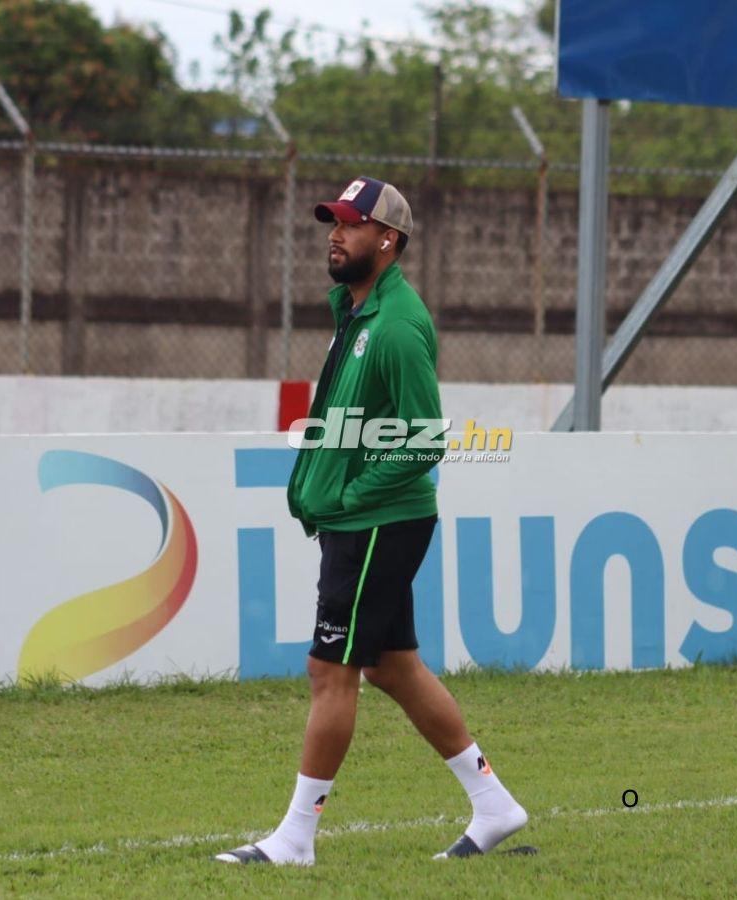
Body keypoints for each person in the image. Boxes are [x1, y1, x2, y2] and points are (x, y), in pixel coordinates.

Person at [215, 176, 528, 866]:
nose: (335, 234)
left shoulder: (395, 326)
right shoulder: (356, 312)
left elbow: (424, 440)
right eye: (333, 222)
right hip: (364, 519)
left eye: (351, 225)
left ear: (388, 240)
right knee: (392, 668)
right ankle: (495, 806)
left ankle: (296, 839)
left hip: (378, 521)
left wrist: (351, 497)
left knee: (330, 670)